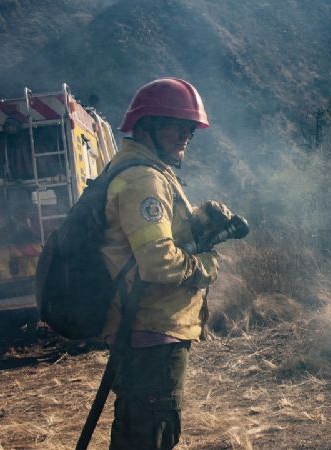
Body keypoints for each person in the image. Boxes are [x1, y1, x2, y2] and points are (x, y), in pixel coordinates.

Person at [99, 78, 232, 449]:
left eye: (191, 128)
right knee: (151, 434)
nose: (187, 134)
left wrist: (196, 227)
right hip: (151, 331)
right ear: (148, 126)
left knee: (139, 430)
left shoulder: (142, 172)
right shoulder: (144, 180)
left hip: (145, 329)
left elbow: (154, 243)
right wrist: (206, 265)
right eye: (179, 125)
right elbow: (157, 263)